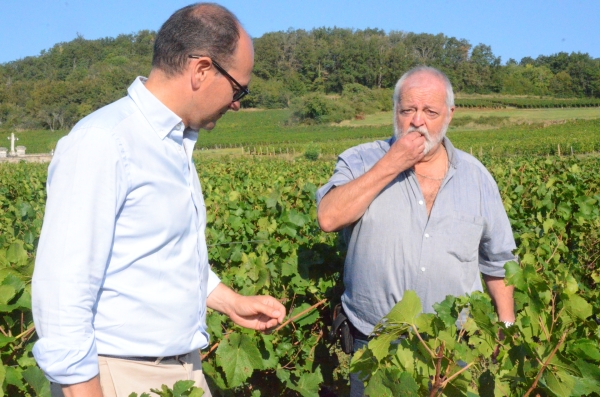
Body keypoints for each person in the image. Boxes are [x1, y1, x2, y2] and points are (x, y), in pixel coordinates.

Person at [31, 4, 285, 397]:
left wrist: (228, 301)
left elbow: (158, 256)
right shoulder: (105, 140)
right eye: (239, 89)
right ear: (202, 70)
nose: (237, 103)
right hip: (119, 376)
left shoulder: (173, 144)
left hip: (180, 371)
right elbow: (62, 289)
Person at [316, 66, 516, 397]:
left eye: (430, 111)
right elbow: (328, 217)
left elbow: (498, 260)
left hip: (450, 349)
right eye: (407, 110)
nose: (417, 121)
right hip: (375, 345)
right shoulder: (361, 160)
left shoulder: (477, 178)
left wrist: (506, 327)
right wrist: (391, 163)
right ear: (395, 111)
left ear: (450, 115)